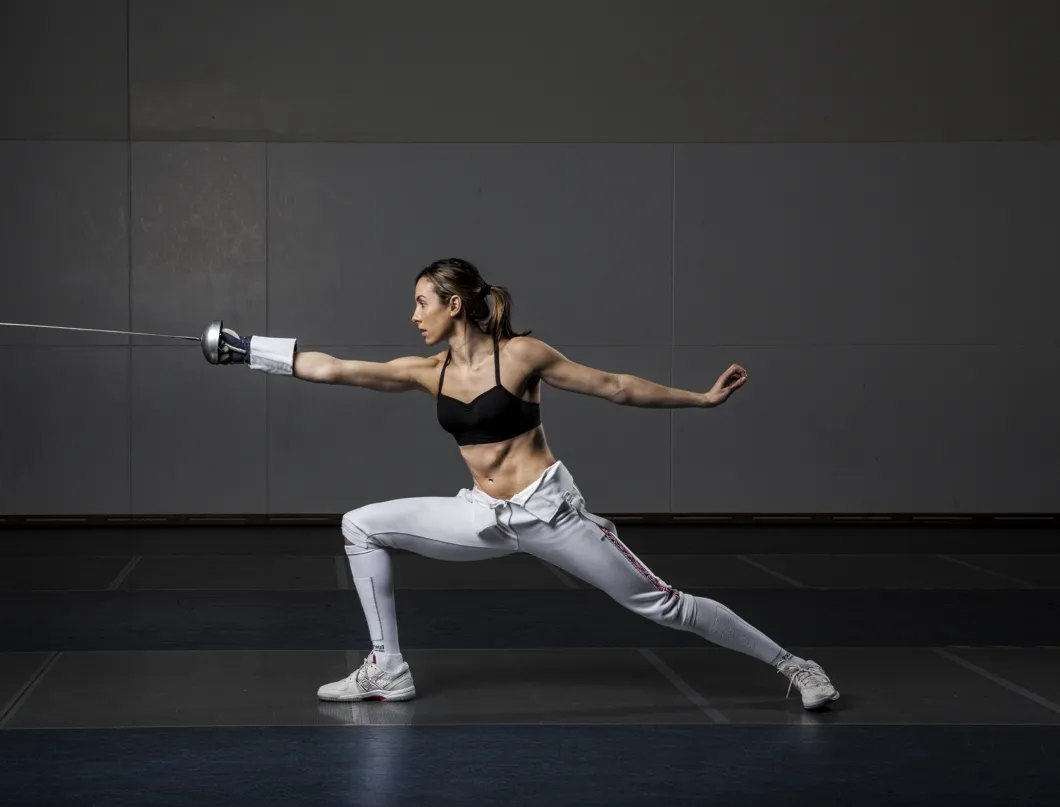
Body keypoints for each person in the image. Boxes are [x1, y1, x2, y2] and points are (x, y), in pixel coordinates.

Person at [209, 257, 839, 711]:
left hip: (553, 516)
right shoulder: (429, 371)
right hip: (482, 516)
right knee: (360, 524)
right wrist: (247, 350)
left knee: (665, 605)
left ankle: (795, 666)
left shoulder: (523, 356)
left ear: (455, 305)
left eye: (421, 302)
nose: (413, 316)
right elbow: (337, 367)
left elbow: (615, 385)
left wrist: (701, 400)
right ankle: (388, 668)